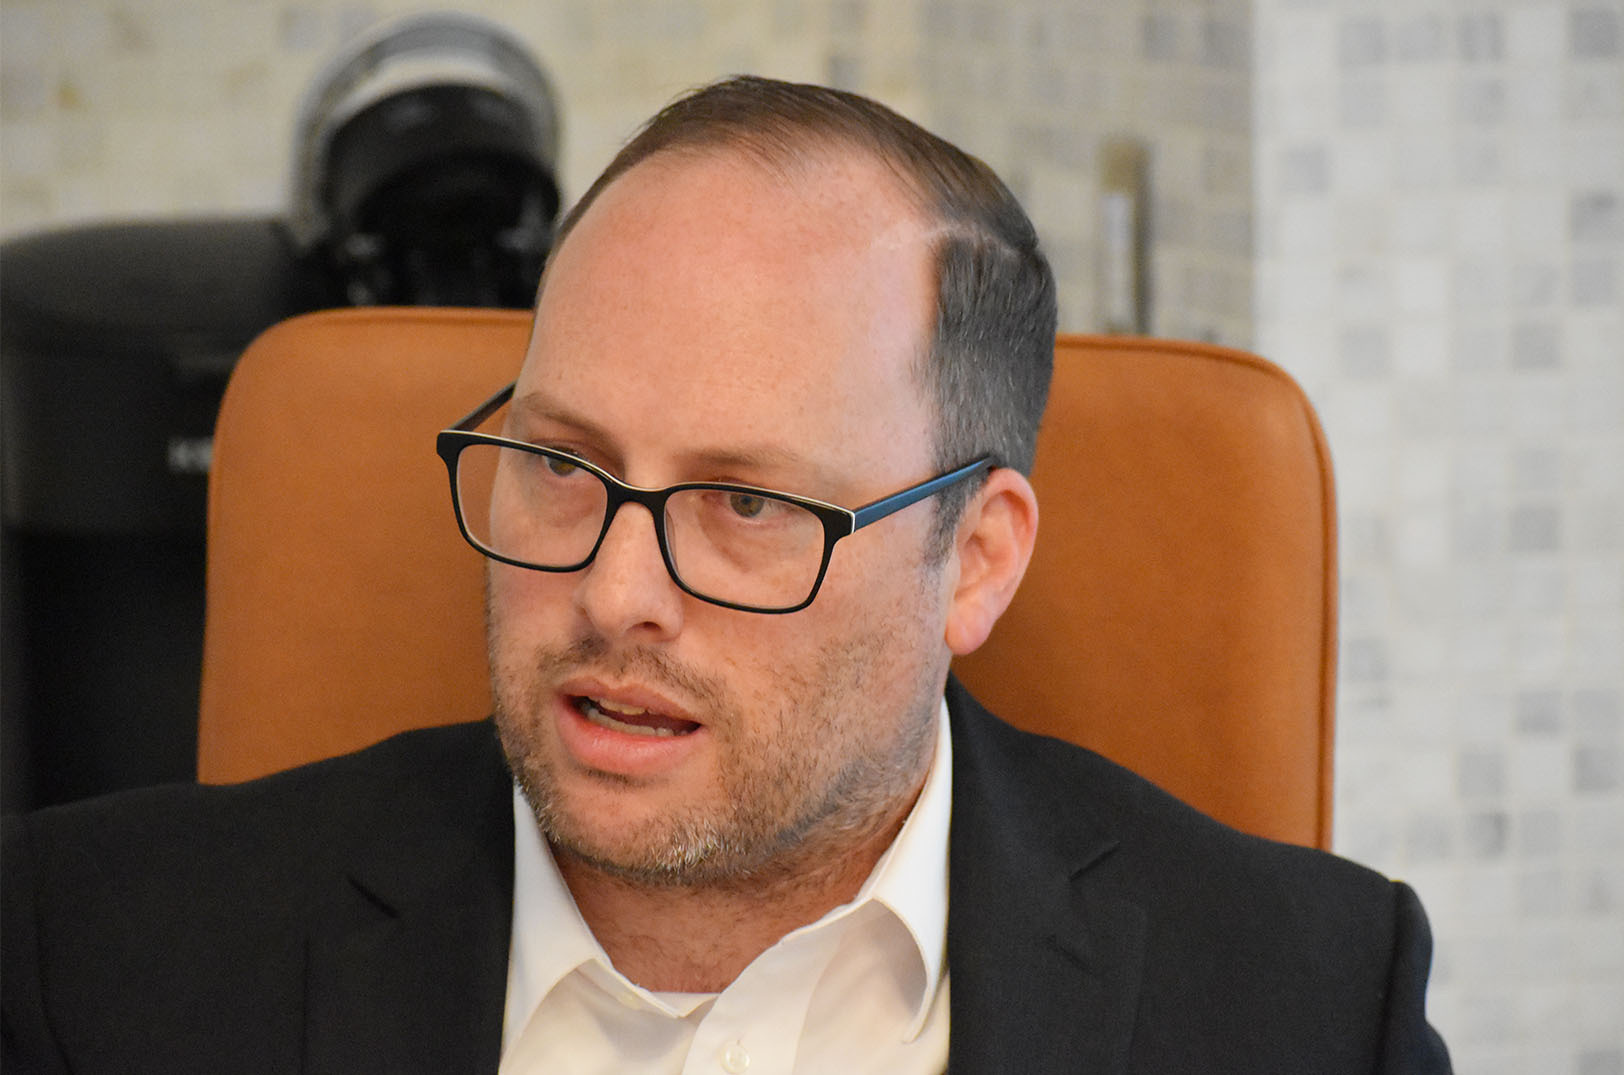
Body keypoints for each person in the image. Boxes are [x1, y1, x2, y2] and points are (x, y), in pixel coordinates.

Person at [2, 76, 1451, 1073]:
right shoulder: (101, 957)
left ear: (977, 562)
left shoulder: (1307, 1003)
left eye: (744, 502)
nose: (616, 589)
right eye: (563, 463)